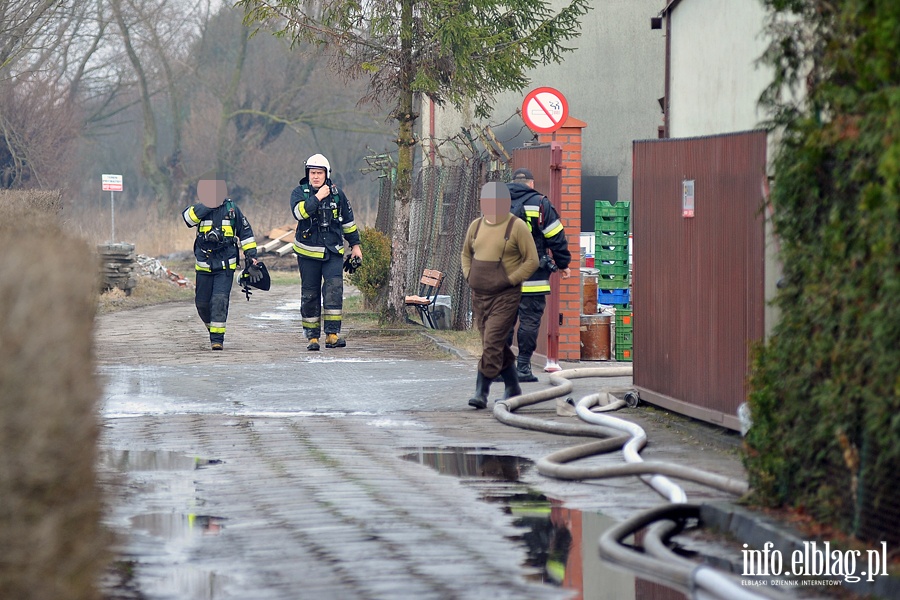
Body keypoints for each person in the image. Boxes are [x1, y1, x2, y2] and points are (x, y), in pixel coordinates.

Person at [461, 182, 539, 409]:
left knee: (493, 340)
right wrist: (469, 274)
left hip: (505, 297)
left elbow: (532, 260)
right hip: (479, 296)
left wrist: (512, 279)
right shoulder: (475, 226)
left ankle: (481, 390)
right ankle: (513, 386)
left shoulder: (517, 227)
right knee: (491, 343)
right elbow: (466, 254)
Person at [503, 167, 572, 382]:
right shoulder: (540, 203)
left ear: (513, 182)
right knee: (529, 320)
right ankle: (523, 367)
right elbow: (556, 237)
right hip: (532, 275)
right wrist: (563, 264)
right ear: (531, 184)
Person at [290, 153, 362, 351]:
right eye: (312, 173)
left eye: (319, 173)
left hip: (333, 252)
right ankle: (312, 338)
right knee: (310, 294)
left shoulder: (338, 194)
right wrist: (317, 197)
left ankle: (332, 335)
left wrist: (355, 245)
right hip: (307, 254)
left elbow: (348, 222)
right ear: (308, 174)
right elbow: (299, 213)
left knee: (334, 291)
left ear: (326, 174)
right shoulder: (299, 193)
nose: (315, 177)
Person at [182, 179, 259, 350]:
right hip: (204, 263)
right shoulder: (200, 209)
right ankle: (212, 329)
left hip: (226, 264)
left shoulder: (232, 209)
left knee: (219, 299)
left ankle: (217, 339)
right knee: (202, 303)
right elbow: (187, 218)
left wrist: (251, 255)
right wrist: (209, 205)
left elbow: (246, 233)